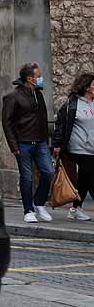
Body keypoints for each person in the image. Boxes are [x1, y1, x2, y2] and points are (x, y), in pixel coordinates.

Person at [1, 62, 55, 223]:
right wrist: (14, 146)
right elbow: (7, 122)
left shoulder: (38, 94)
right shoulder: (13, 97)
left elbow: (43, 118)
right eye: (38, 76)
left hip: (40, 142)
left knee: (48, 172)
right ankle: (28, 210)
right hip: (23, 143)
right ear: (30, 79)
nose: (41, 79)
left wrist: (46, 140)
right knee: (27, 177)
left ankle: (39, 203)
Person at [52, 72, 94, 221]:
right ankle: (76, 209)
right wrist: (57, 144)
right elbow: (61, 124)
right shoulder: (73, 103)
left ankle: (75, 208)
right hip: (79, 147)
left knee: (84, 179)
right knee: (91, 176)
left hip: (92, 147)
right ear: (87, 86)